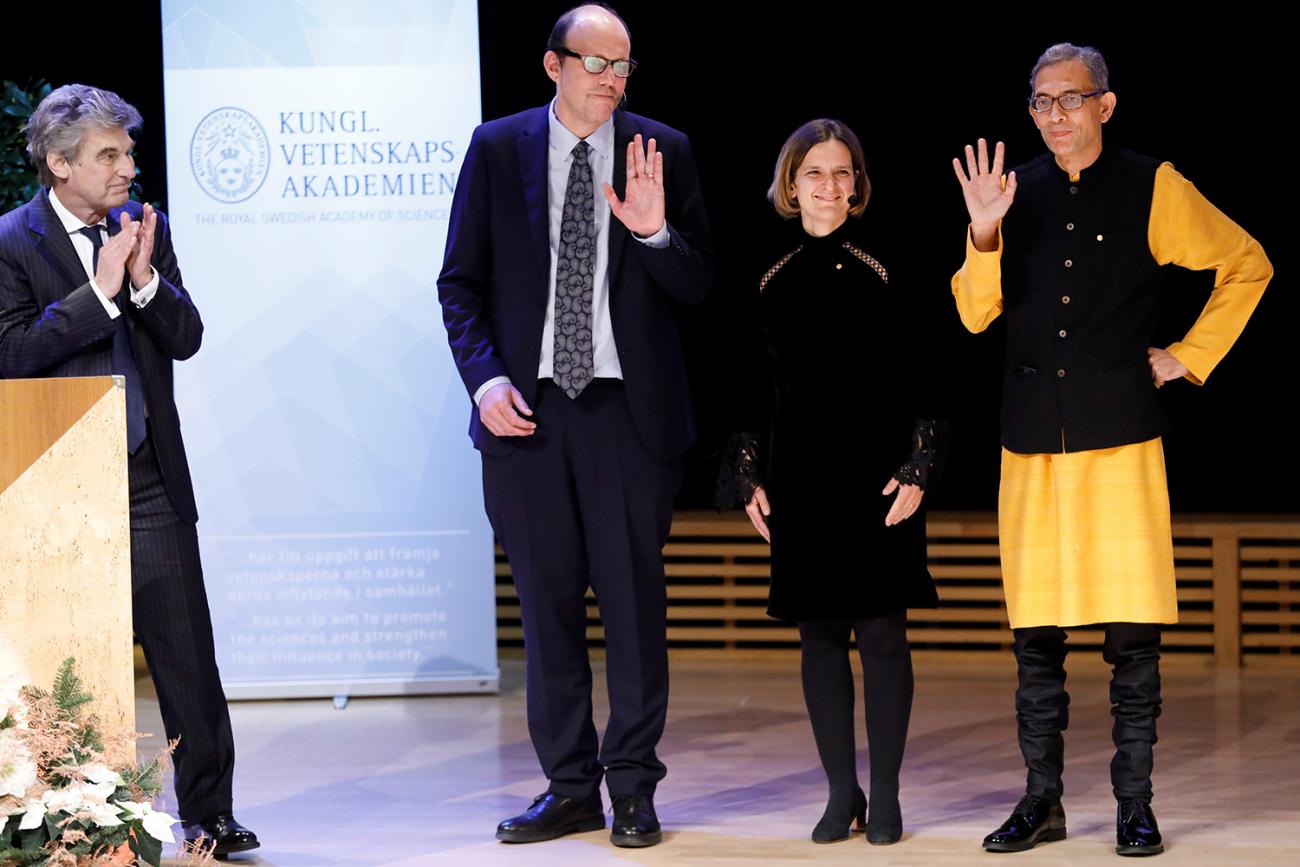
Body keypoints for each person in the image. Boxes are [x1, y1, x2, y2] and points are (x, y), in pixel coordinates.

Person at [951, 43, 1271, 856]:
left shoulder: (1153, 185)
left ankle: (1135, 803)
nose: (1054, 114)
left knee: (1132, 636)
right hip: (1031, 441)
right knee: (1038, 638)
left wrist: (1189, 355)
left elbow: (1245, 262)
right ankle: (1042, 801)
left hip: (1122, 439)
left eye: (1070, 98)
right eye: (1040, 102)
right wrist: (983, 233)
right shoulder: (1008, 192)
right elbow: (973, 315)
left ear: (1106, 105)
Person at [436, 3, 712, 848]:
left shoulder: (661, 149)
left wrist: (657, 232)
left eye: (624, 65)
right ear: (552, 64)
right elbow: (460, 286)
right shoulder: (497, 147)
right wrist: (483, 383)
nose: (613, 80)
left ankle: (633, 787)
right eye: (596, 63)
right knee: (547, 607)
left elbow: (700, 286)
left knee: (633, 608)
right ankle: (566, 787)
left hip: (627, 416)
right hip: (529, 415)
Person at [0, 84, 258, 855]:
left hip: (148, 477)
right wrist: (100, 294)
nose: (127, 167)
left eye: (128, 152)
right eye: (109, 155)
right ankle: (66, 814)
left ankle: (209, 810)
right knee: (68, 660)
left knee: (187, 657)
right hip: (57, 483)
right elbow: (10, 352)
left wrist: (144, 280)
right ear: (59, 162)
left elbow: (187, 337)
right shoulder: (13, 240)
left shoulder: (146, 227)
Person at [721, 119, 939, 846]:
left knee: (882, 633)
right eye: (816, 173)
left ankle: (884, 794)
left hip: (879, 478)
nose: (831, 186)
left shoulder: (888, 259)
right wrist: (747, 471)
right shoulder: (763, 264)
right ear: (792, 184)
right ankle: (839, 790)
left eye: (844, 172)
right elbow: (746, 379)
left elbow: (927, 370)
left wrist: (920, 463)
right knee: (819, 636)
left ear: (859, 184)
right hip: (800, 479)